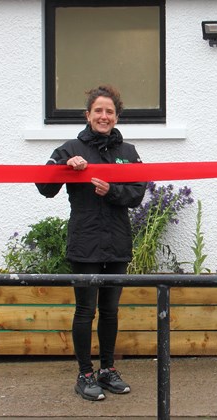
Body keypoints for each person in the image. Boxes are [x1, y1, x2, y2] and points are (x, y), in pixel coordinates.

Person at [36, 85, 146, 401]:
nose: (103, 116)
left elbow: (137, 195)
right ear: (88, 115)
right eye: (98, 110)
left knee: (110, 310)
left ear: (116, 116)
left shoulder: (129, 152)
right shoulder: (72, 148)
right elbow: (43, 186)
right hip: (84, 242)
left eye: (109, 111)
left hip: (117, 242)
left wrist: (110, 190)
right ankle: (85, 374)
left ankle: (107, 370)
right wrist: (64, 168)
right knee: (86, 311)